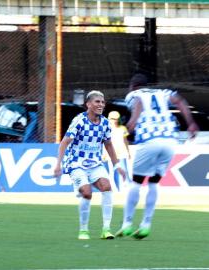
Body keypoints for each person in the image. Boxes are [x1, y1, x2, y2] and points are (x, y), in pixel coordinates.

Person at [115, 73, 199, 239]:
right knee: (153, 183)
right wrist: (190, 123)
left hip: (149, 140)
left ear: (133, 86)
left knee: (136, 183)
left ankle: (127, 224)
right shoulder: (164, 93)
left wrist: (127, 129)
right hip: (169, 142)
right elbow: (180, 101)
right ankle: (146, 225)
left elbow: (136, 110)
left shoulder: (134, 95)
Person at [54, 90, 126, 240]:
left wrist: (117, 165)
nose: (101, 104)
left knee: (107, 186)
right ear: (88, 104)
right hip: (76, 163)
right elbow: (64, 142)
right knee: (87, 192)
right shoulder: (79, 121)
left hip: (95, 164)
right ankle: (83, 230)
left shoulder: (105, 123)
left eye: (102, 102)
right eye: (97, 101)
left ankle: (106, 229)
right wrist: (58, 164)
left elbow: (109, 145)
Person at [103, 111, 132, 190]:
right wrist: (104, 154)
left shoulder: (123, 128)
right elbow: (104, 143)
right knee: (115, 172)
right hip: (112, 154)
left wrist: (128, 152)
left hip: (122, 153)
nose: (114, 120)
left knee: (124, 171)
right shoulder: (106, 129)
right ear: (109, 119)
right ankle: (118, 189)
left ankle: (128, 188)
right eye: (112, 119)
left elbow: (125, 141)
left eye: (116, 119)